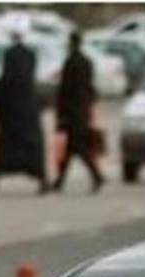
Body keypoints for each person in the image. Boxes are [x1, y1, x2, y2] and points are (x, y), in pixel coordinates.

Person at [0, 26, 53, 194]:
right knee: (32, 149)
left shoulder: (7, 68)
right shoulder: (30, 61)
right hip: (28, 111)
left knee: (5, 148)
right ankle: (42, 180)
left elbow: (0, 86)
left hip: (11, 113)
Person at [52, 31, 104, 193]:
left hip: (73, 111)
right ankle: (60, 181)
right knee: (72, 148)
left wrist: (61, 112)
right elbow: (90, 87)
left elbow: (66, 90)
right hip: (83, 109)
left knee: (78, 148)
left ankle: (96, 176)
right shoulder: (87, 62)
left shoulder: (70, 62)